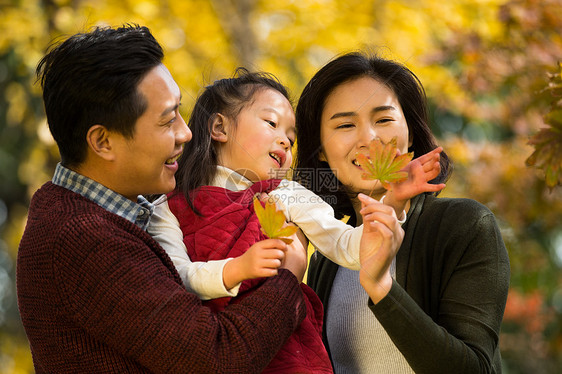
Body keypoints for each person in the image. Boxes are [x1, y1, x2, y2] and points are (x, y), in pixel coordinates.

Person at [16, 24, 310, 373]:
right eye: (167, 120)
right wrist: (288, 278)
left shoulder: (116, 216)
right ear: (103, 142)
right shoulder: (83, 238)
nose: (186, 132)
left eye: (180, 113)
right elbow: (216, 359)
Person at [148, 68, 443, 373]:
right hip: (206, 350)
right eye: (272, 123)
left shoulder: (287, 194)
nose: (286, 142)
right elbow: (176, 277)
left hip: (284, 353)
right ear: (219, 127)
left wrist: (393, 203)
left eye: (291, 137)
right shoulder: (166, 206)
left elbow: (346, 245)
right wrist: (238, 269)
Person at [294, 52, 510, 373]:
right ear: (322, 150)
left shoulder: (464, 225)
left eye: (383, 119)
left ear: (410, 130)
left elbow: (473, 367)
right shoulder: (326, 259)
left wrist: (380, 286)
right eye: (345, 124)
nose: (369, 137)